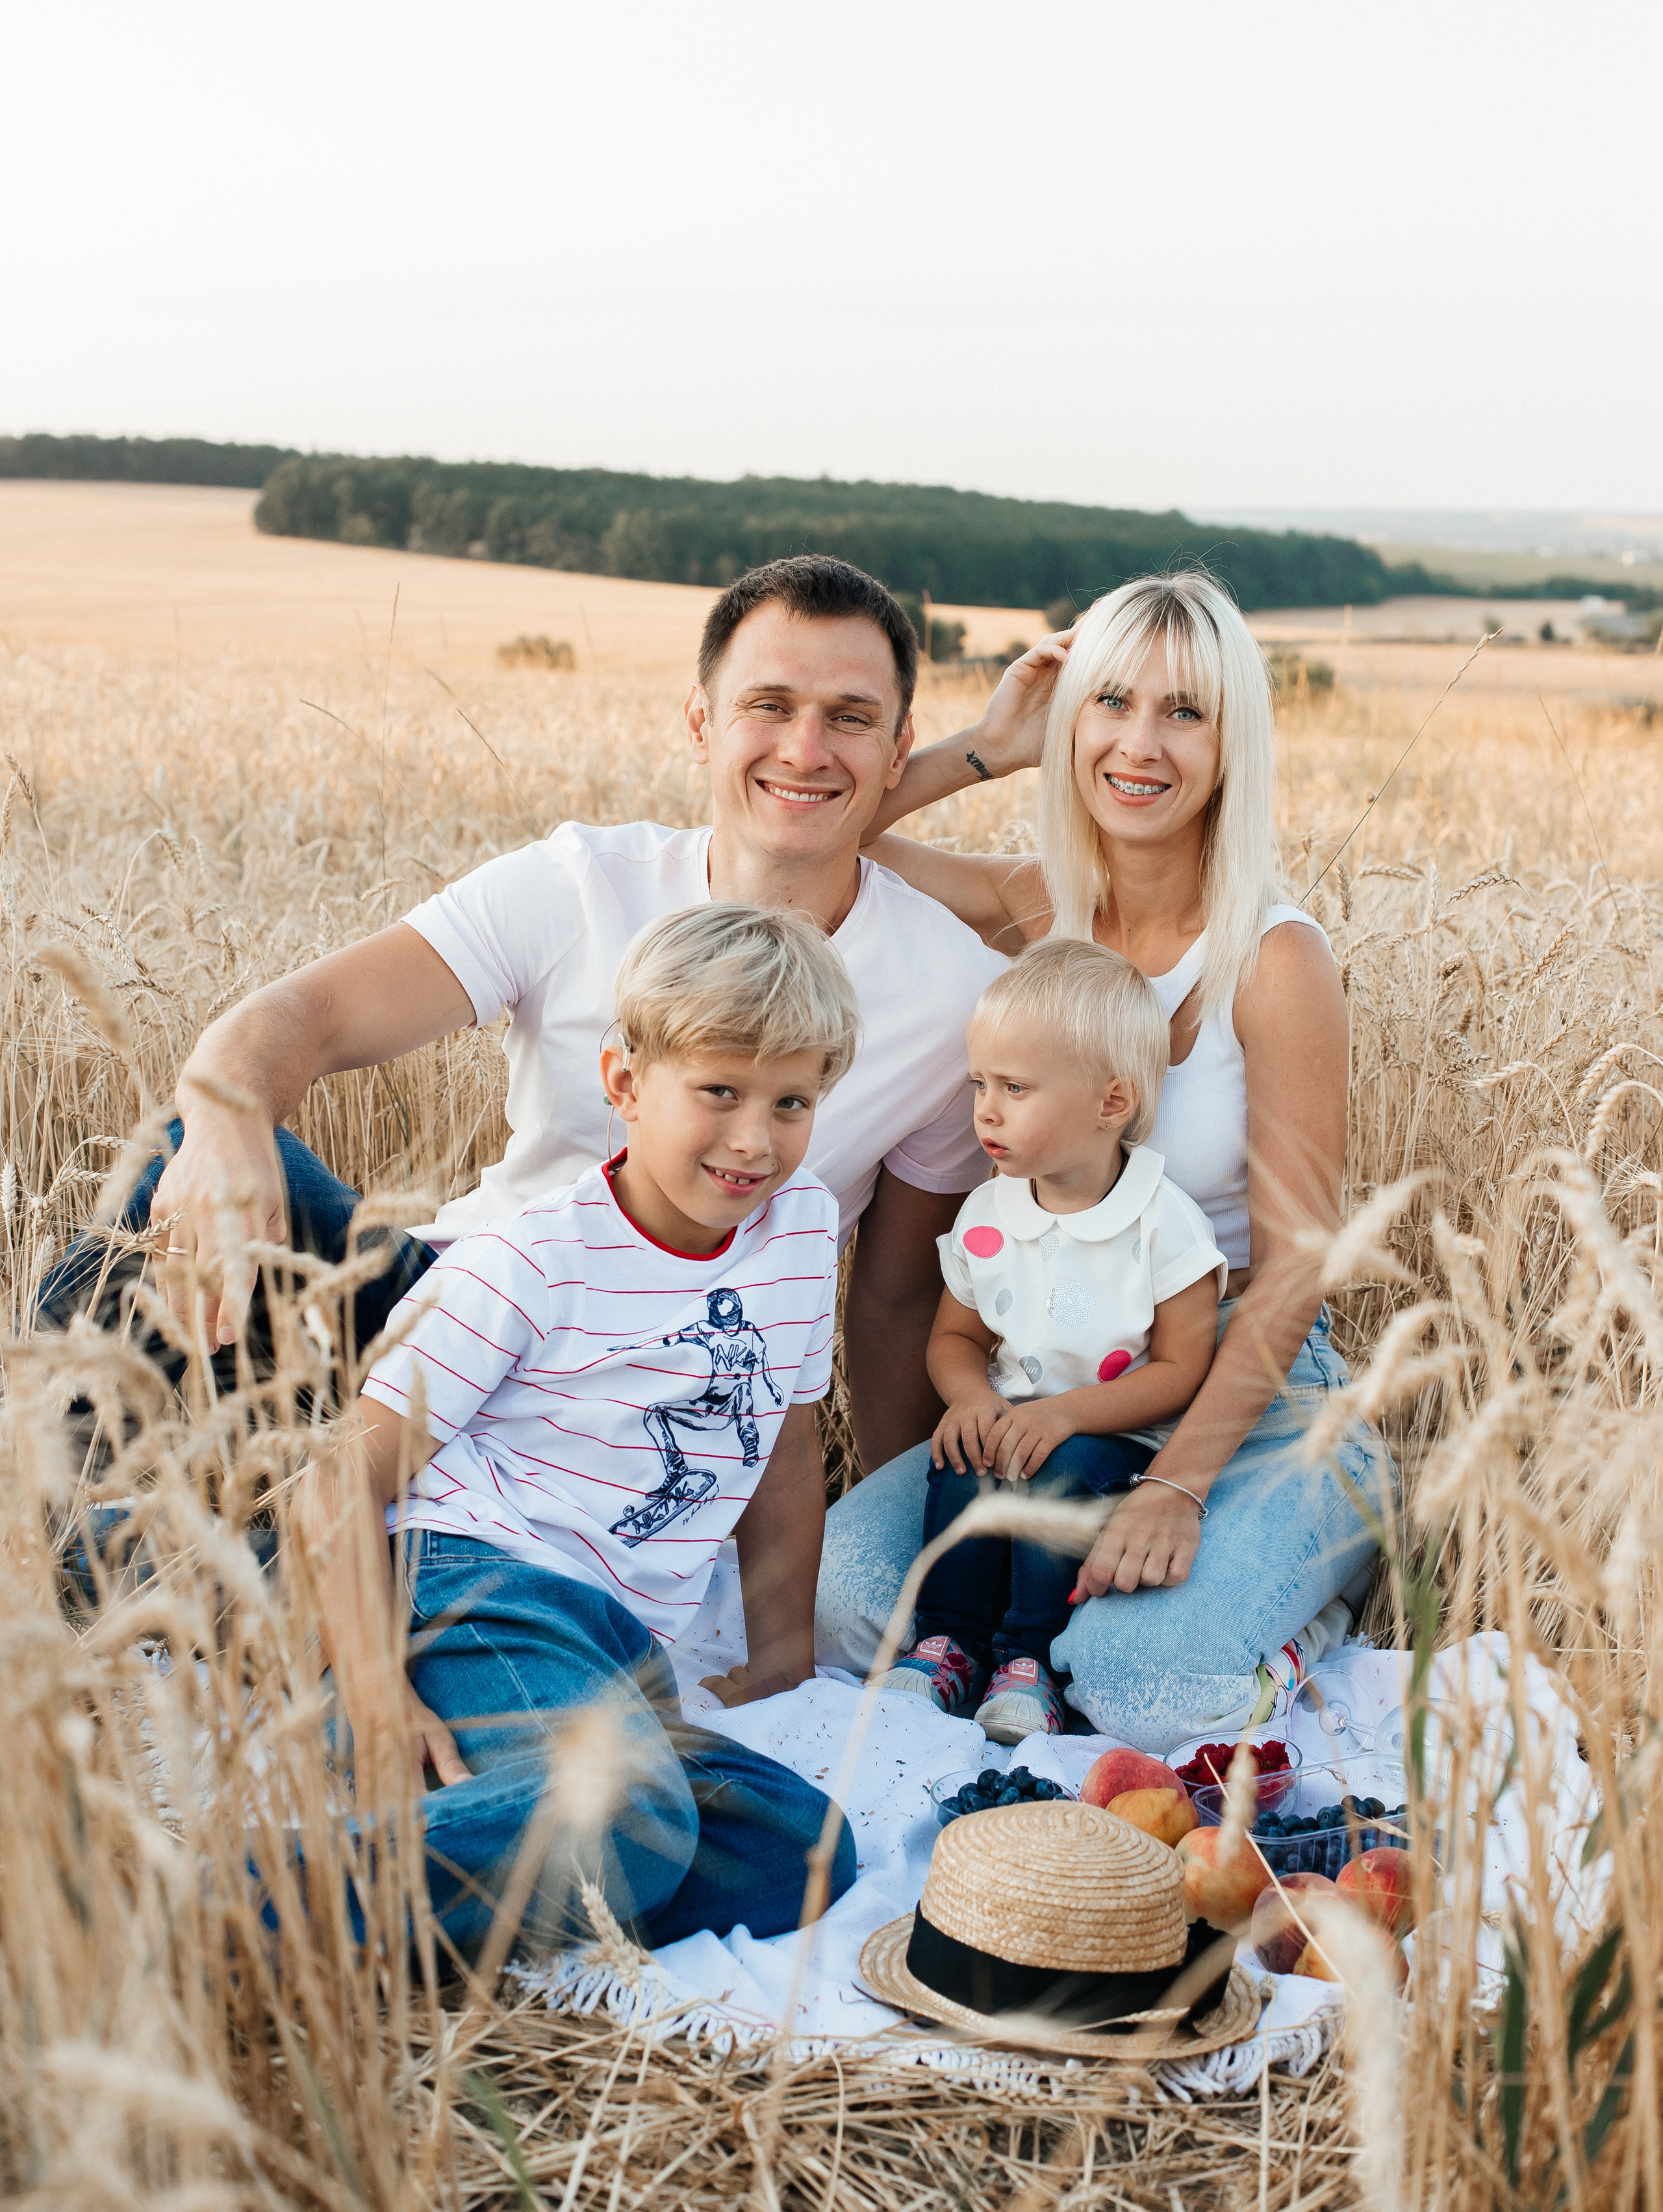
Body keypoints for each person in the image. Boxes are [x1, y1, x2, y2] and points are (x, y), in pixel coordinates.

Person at [40, 555, 1018, 1706]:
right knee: (172, 1157)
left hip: (632, 1399)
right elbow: (299, 1017)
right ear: (701, 722)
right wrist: (227, 1122)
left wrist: (882, 1534)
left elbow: (896, 1296)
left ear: (899, 754)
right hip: (446, 1318)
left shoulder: (952, 989)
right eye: (771, 705)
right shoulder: (575, 885)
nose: (807, 749)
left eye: (850, 718)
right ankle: (72, 1543)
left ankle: (236, 1577)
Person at [817, 570, 1391, 1752]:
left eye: (1184, 711)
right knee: (849, 1601)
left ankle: (1323, 1586)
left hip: (1252, 1387)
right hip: (1060, 1374)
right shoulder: (1042, 911)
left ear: (1234, 740)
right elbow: (825, 823)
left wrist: (1178, 1486)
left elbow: (1292, 1273)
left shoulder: (1275, 962)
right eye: (1110, 701)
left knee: (1140, 1684)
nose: (1139, 743)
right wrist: (990, 745)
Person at [295, 904, 861, 1956]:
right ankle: (227, 1910)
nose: (755, 1138)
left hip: (619, 1640)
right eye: (720, 1092)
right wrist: (381, 1698)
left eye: (793, 1100)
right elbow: (339, 1477)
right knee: (624, 1813)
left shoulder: (802, 1228)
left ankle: (499, 1808)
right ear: (625, 1083)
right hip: (479, 1579)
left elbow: (783, 1439)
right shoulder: (533, 1261)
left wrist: (785, 1651)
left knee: (802, 1850)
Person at [880, 941, 1227, 1744]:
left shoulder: (1159, 1220)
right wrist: (970, 1399)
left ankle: (1026, 1660)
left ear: (1111, 1104)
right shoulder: (989, 1212)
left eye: (1015, 1088)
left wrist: (1067, 1415)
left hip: (1110, 1434)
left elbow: (1182, 1368)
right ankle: (949, 1642)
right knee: (962, 1456)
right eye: (979, 1084)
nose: (986, 1111)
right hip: (1018, 1417)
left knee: (1057, 1475)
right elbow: (956, 1336)